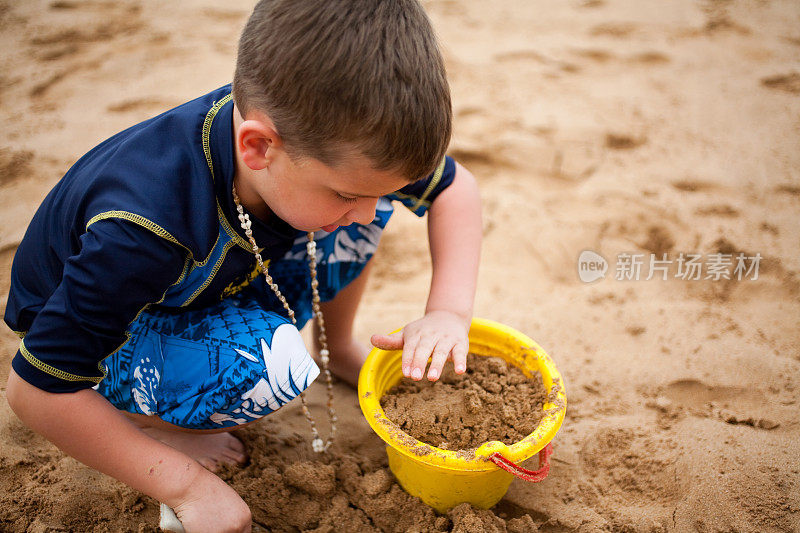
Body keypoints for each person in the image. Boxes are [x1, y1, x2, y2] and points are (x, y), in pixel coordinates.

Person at [4, 0, 481, 531]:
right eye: (348, 192)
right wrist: (187, 487)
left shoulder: (328, 138)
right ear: (258, 147)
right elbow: (36, 390)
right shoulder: (143, 229)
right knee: (272, 369)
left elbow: (456, 190)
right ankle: (142, 419)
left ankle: (335, 347)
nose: (369, 211)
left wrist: (448, 313)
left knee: (359, 216)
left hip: (203, 281)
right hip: (123, 326)